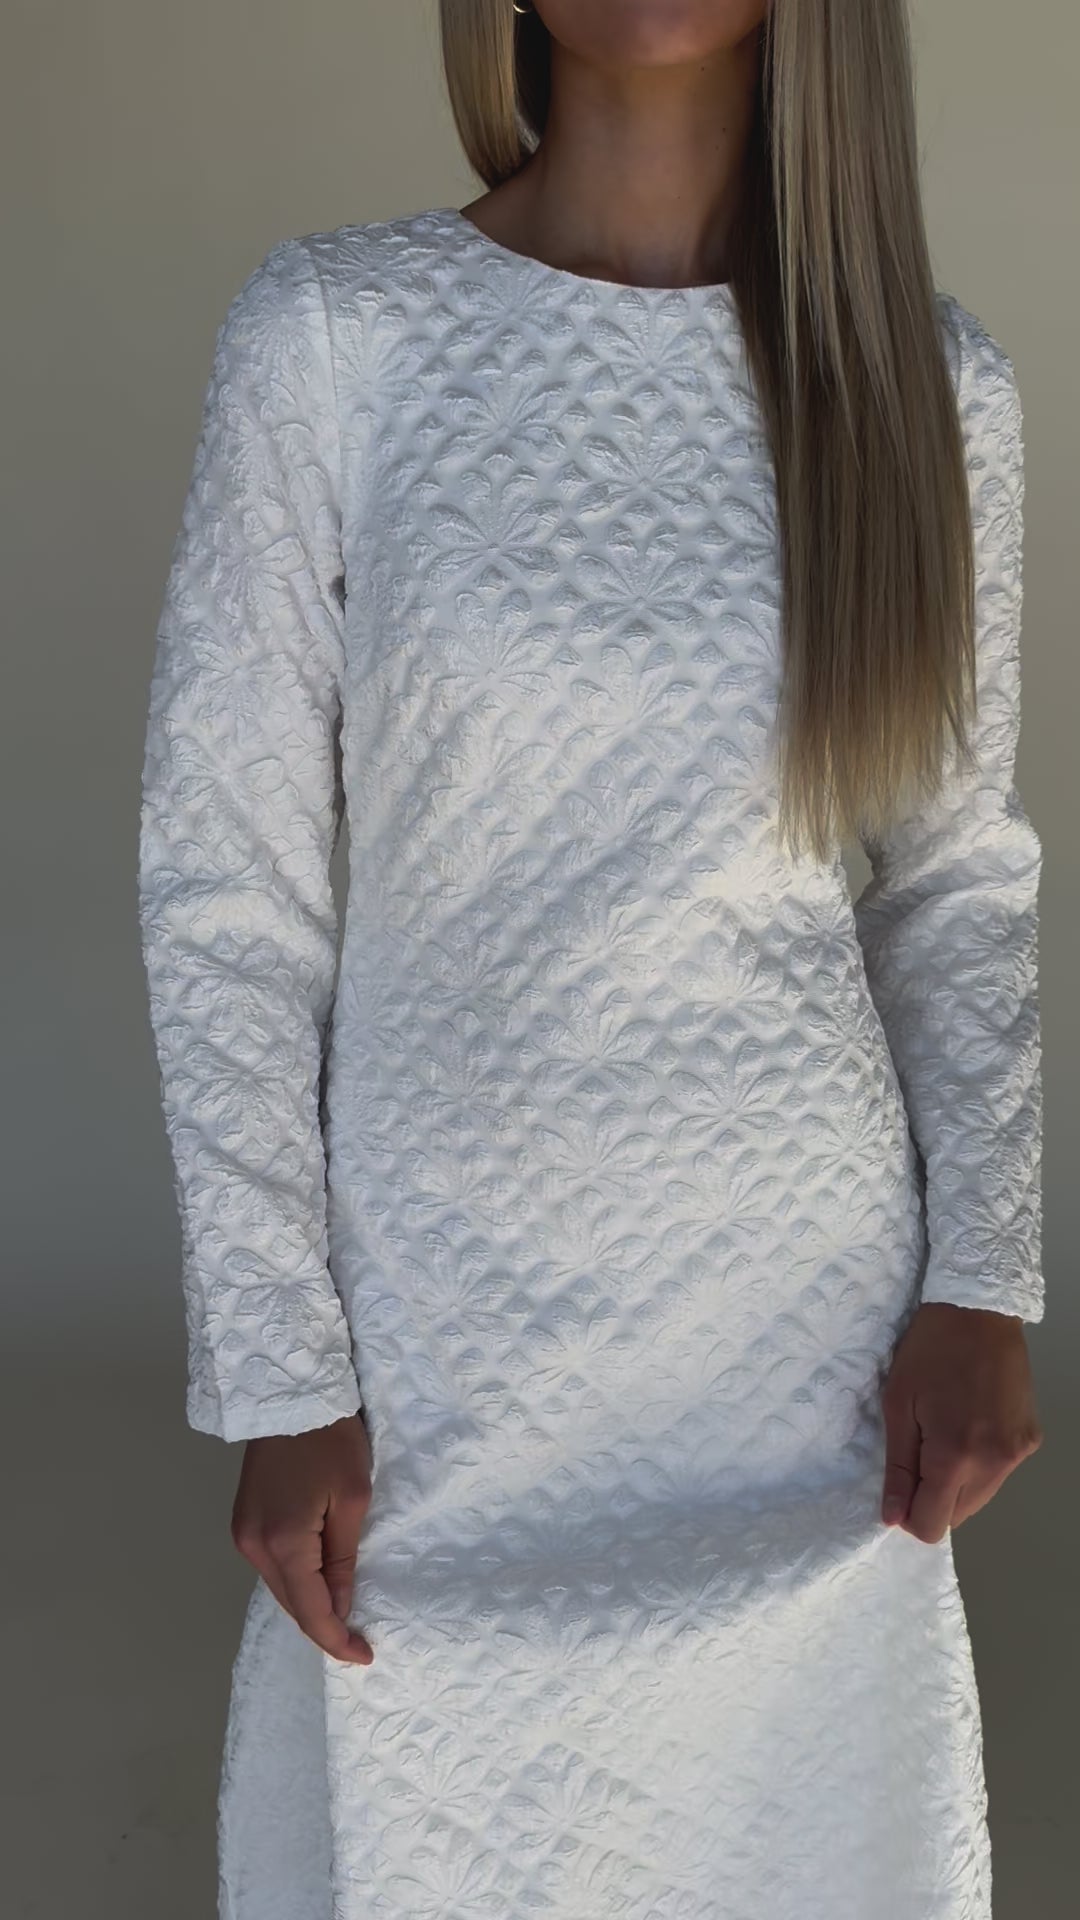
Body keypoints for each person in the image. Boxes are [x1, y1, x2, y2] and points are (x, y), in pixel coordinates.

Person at [137, 3, 1046, 1915]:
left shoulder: (923, 384)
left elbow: (950, 882)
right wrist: (279, 1363)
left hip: (795, 1331)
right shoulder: (335, 338)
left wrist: (984, 1275)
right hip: (438, 1310)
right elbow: (230, 890)